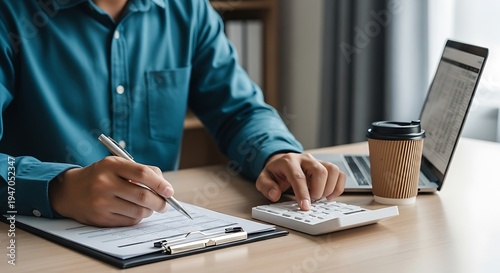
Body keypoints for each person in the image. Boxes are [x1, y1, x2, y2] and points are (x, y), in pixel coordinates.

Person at [0, 0, 345, 227]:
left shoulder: (189, 11)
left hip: (162, 237)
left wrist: (276, 153)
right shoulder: (9, 14)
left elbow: (239, 109)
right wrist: (58, 189)